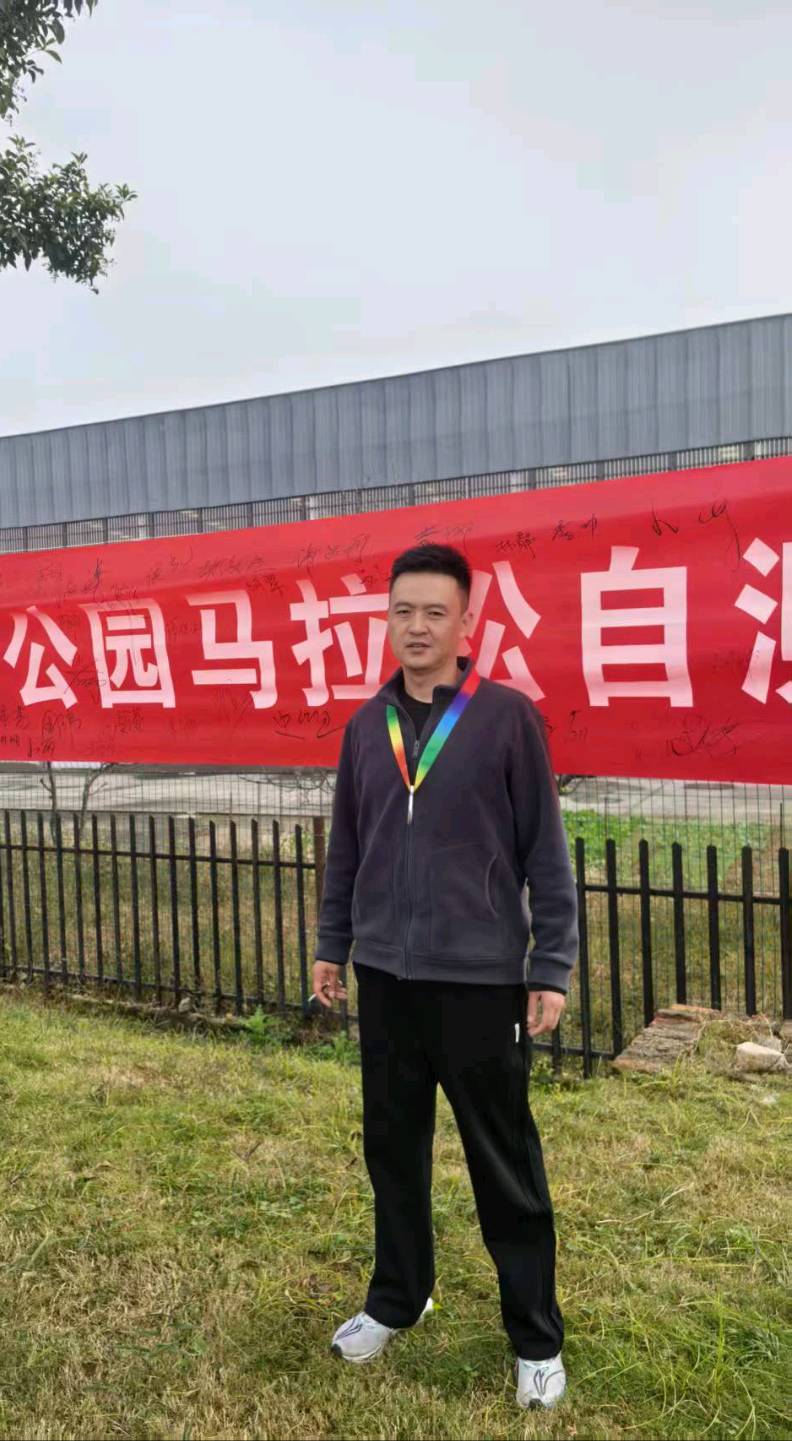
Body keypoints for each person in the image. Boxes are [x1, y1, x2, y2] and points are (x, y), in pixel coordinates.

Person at [312, 542, 578, 1412]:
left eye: (435, 612)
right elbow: (347, 848)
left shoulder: (506, 719)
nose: (417, 627)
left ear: (466, 622)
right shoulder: (367, 727)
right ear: (386, 621)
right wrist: (332, 943)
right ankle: (400, 1295)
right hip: (388, 978)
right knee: (392, 1146)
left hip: (479, 983)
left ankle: (535, 1336)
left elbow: (545, 851)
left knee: (503, 1160)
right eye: (403, 611)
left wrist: (550, 964)